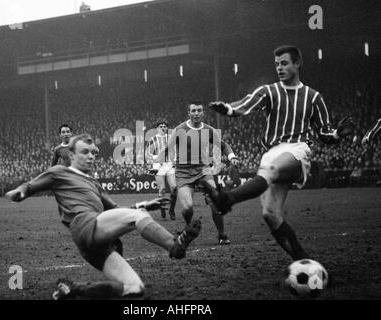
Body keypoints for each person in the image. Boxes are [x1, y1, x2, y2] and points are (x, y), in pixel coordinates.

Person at [5, 134, 202, 300]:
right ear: (71, 154)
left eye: (93, 153)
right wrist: (19, 192)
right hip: (84, 224)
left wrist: (143, 205)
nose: (91, 156)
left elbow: (115, 210)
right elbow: (31, 185)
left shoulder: (94, 183)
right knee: (137, 216)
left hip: (94, 243)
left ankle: (73, 290)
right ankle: (175, 245)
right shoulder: (60, 172)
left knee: (134, 288)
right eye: (85, 152)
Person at [207, 45, 356, 260]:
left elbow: (324, 134)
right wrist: (228, 109)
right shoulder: (268, 91)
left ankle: (228, 199)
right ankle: (304, 261)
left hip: (298, 149)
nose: (279, 68)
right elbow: (246, 104)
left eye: (284, 63)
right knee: (270, 214)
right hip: (272, 153)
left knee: (273, 169)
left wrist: (337, 135)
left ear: (297, 64)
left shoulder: (313, 97)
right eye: (277, 64)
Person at [156, 102, 239, 245]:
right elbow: (167, 148)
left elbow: (224, 145)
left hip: (203, 171)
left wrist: (232, 157)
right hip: (183, 173)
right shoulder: (180, 129)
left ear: (203, 112)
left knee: (215, 202)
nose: (196, 113)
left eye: (199, 110)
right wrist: (157, 164)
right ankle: (188, 228)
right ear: (188, 113)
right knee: (187, 209)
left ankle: (222, 235)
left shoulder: (209, 130)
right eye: (193, 110)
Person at [146, 118, 177, 220]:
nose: (163, 128)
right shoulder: (153, 139)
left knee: (174, 188)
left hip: (169, 164)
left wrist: (175, 160)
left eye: (165, 126)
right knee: (162, 188)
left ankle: (171, 210)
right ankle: (162, 208)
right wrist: (156, 158)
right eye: (161, 126)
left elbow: (175, 150)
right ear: (157, 128)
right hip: (158, 166)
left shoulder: (171, 138)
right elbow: (147, 154)